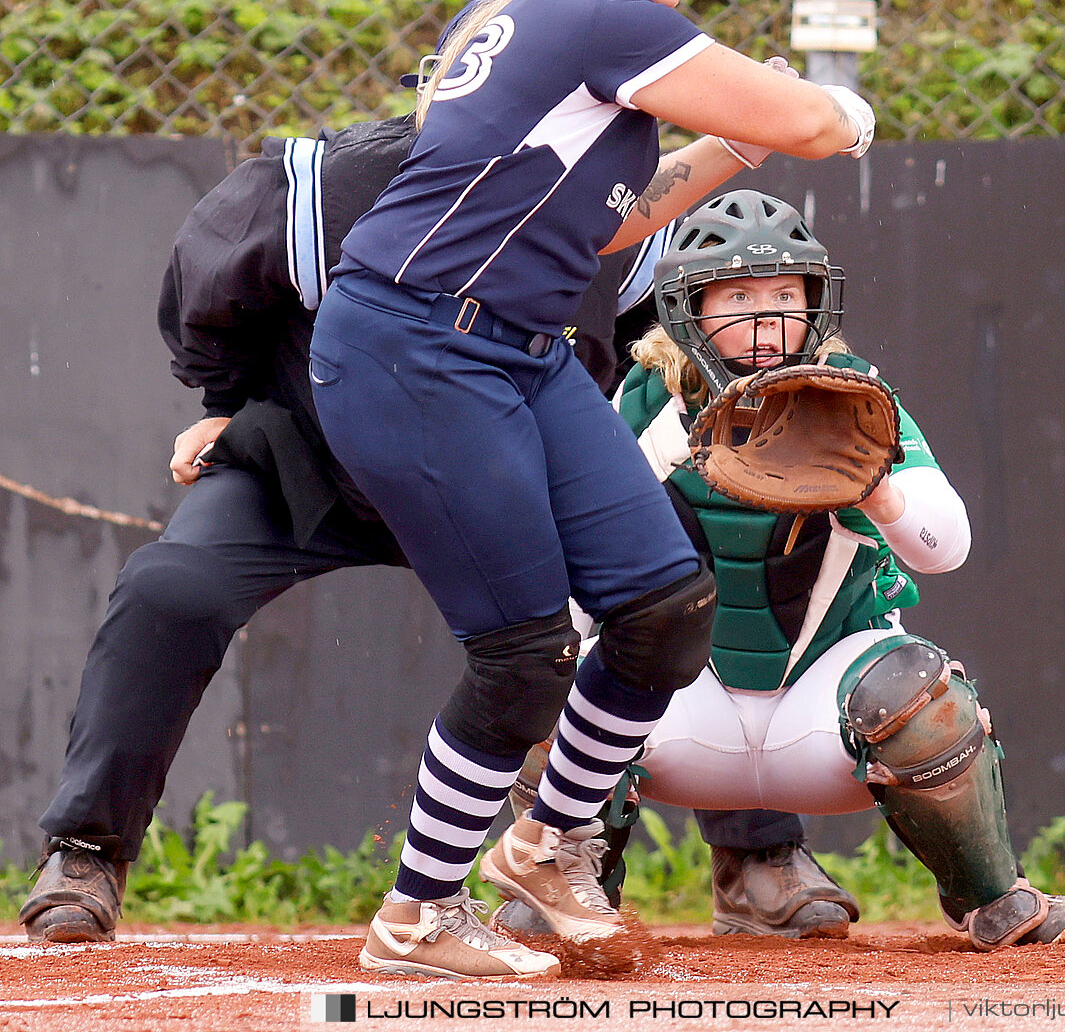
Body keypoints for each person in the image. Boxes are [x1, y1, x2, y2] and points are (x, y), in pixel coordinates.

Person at [306, 0, 876, 981]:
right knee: (521, 654)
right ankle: (416, 916)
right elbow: (819, 123)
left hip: (516, 347)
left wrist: (733, 134)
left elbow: (618, 217)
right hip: (414, 347)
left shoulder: (560, 23)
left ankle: (551, 844)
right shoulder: (595, 19)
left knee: (663, 604)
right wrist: (824, 110)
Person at [13, 107, 676, 945]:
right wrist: (233, 403)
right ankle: (87, 848)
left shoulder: (608, 198)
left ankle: (586, 854)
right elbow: (205, 295)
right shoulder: (336, 184)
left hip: (498, 482)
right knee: (169, 588)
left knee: (650, 594)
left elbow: (633, 341)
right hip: (316, 458)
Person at [509, 190, 1065, 951]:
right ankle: (568, 893)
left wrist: (874, 488)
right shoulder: (650, 398)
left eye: (785, 295)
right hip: (693, 710)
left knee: (917, 692)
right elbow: (583, 549)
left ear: (815, 303)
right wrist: (675, 453)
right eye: (738, 295)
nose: (764, 317)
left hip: (821, 711)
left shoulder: (856, 394)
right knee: (561, 679)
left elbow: (946, 546)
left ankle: (988, 895)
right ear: (687, 306)